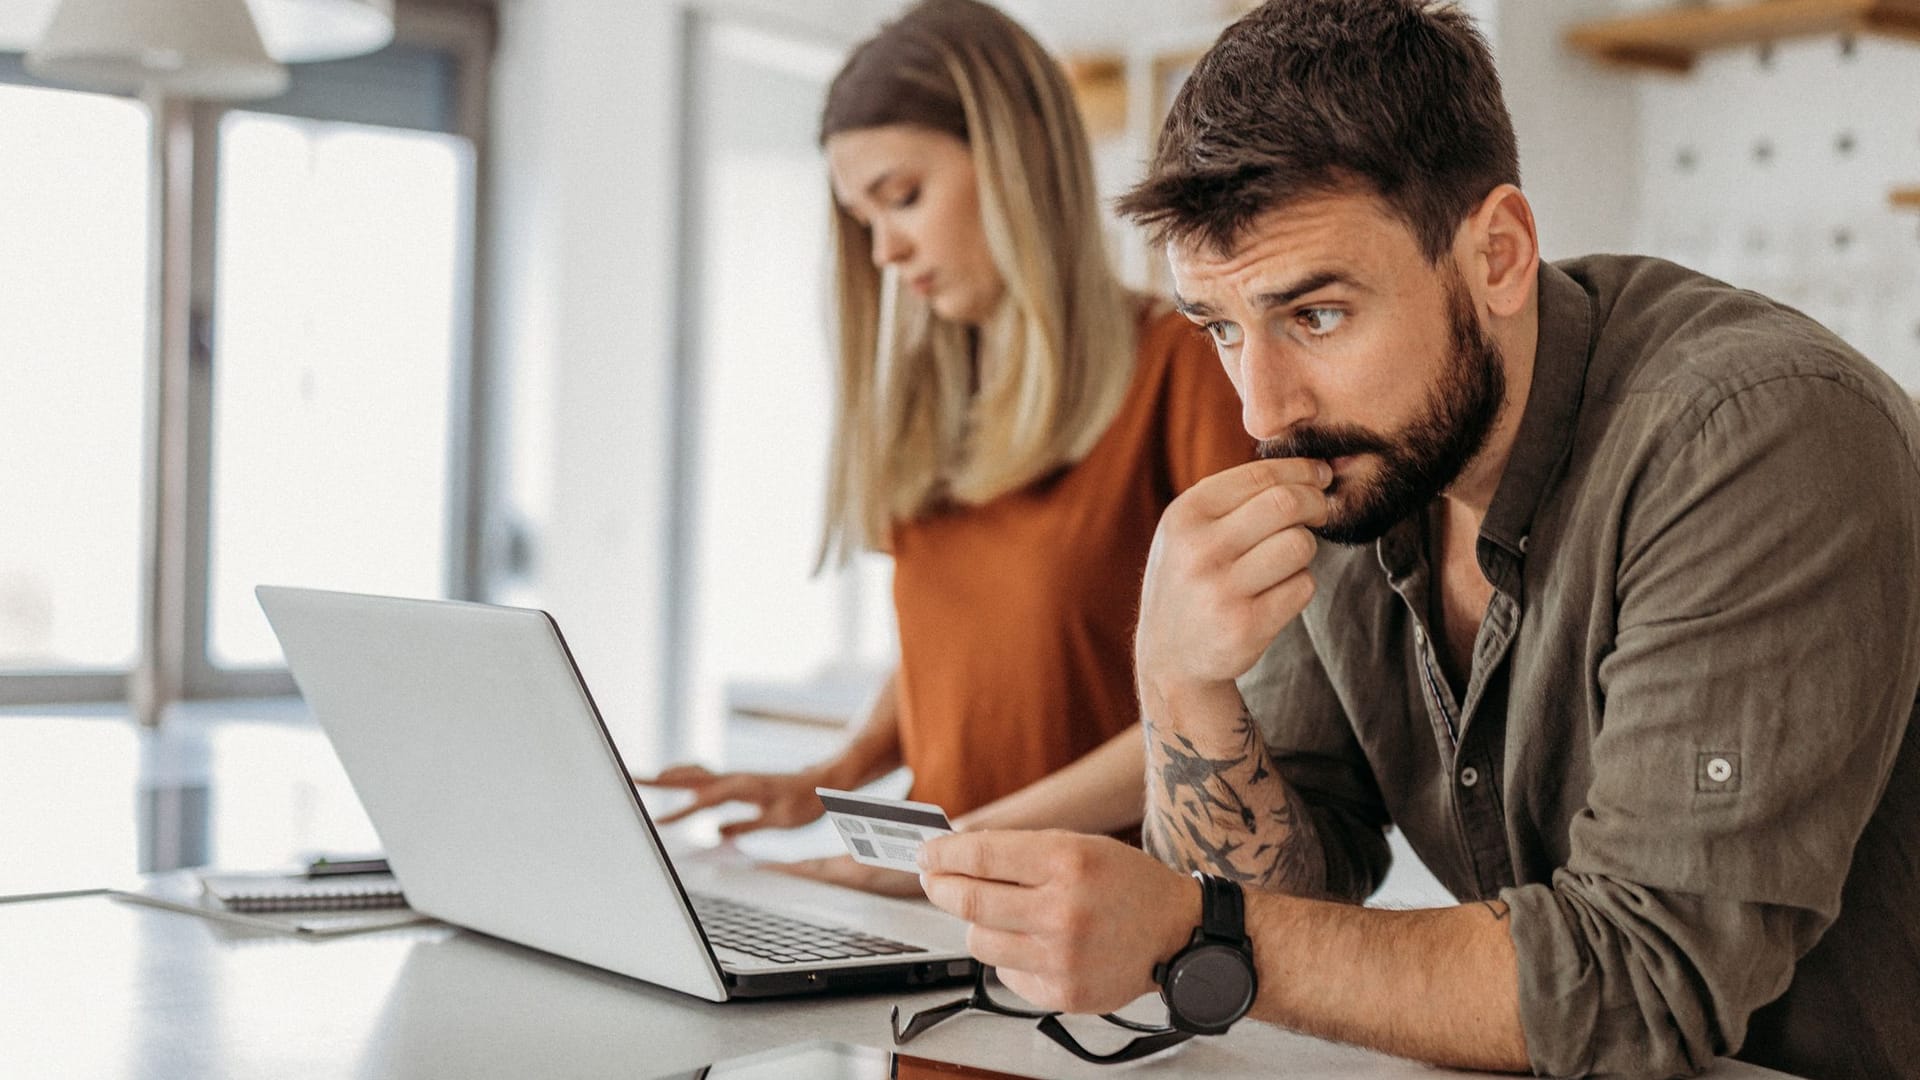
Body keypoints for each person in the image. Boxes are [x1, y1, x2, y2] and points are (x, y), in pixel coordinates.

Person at [914, 1, 1920, 1076]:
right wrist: (1176, 682)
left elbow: (1638, 985)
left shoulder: (1754, 436)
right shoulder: (1366, 463)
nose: (1263, 409)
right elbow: (1289, 894)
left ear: (1498, 254)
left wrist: (1190, 931)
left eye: (1319, 316)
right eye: (1220, 327)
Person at [640, 0, 1249, 895]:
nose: (885, 248)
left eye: (903, 197)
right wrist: (831, 778)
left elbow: (1242, 708)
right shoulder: (936, 401)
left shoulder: (1182, 371)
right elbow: (954, 651)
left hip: (1097, 915)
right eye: (863, 219)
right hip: (931, 899)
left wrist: (961, 844)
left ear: (1017, 161)